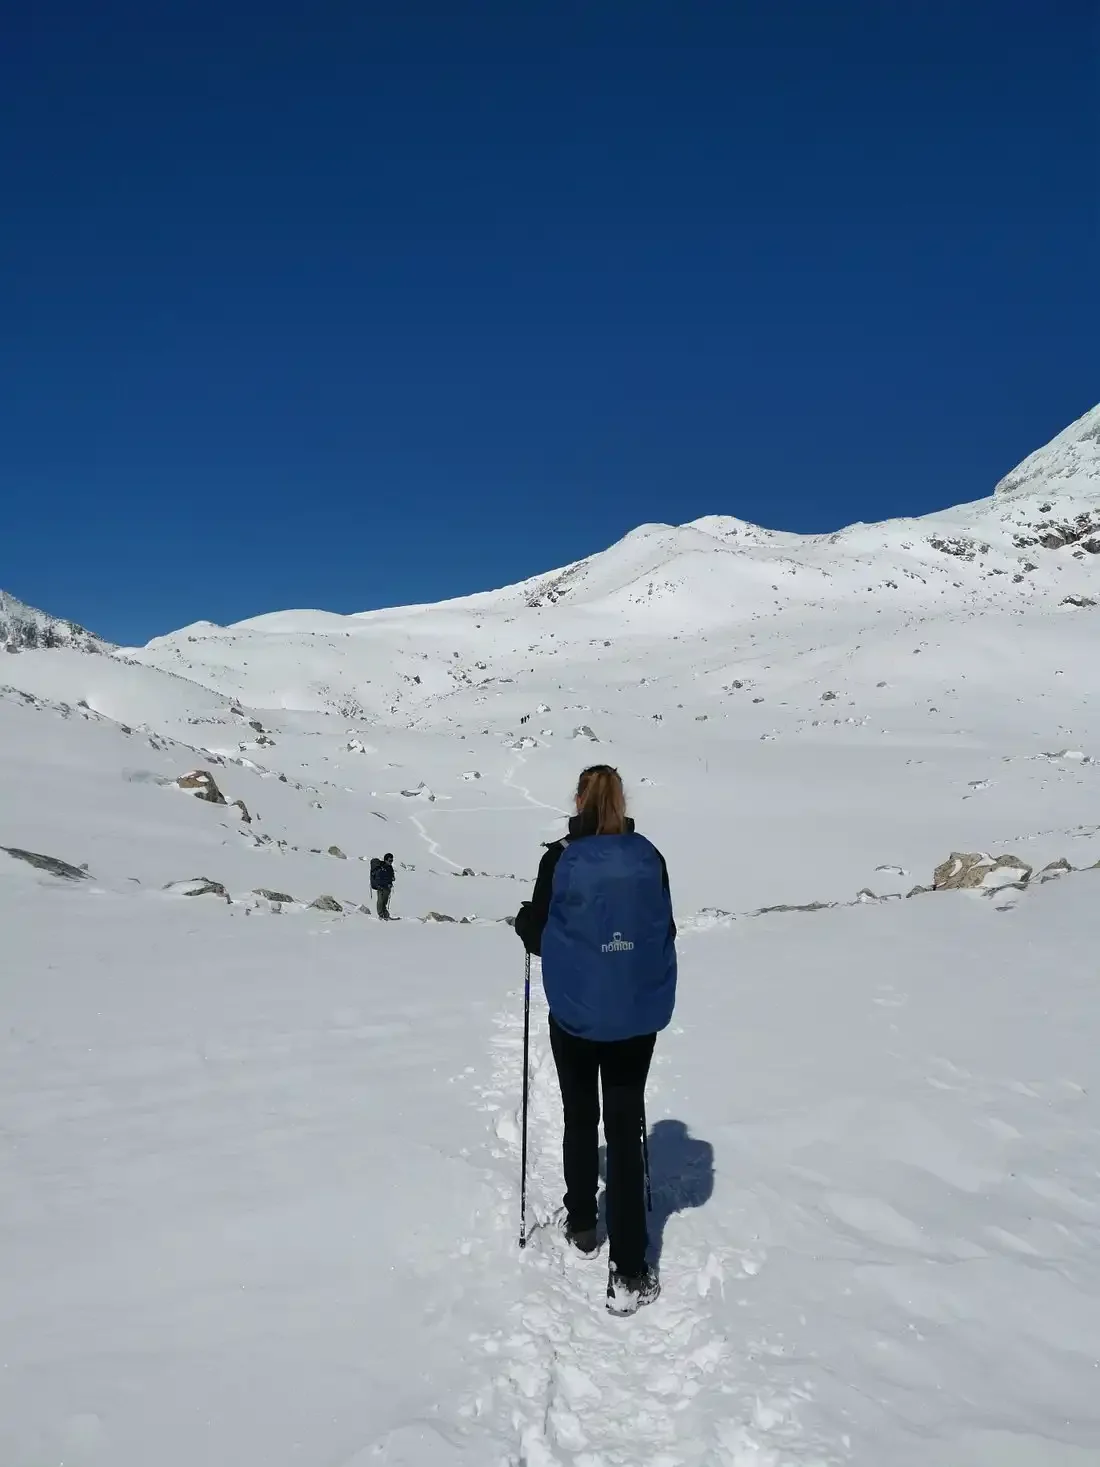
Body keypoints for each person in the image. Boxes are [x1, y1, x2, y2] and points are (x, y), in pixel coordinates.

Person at [514, 765, 676, 1316]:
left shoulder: (560, 858)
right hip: (635, 1018)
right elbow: (664, 930)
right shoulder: (648, 856)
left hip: (576, 1015)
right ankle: (629, 1271)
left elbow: (540, 936)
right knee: (625, 1129)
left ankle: (583, 1223)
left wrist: (523, 923)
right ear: (621, 801)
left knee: (580, 1114)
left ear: (578, 799)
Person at [370, 852, 396, 919]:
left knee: (384, 902)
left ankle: (385, 915)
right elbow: (379, 879)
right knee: (380, 902)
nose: (391, 862)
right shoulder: (380, 868)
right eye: (390, 860)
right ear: (385, 860)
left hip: (387, 888)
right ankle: (381, 915)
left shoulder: (390, 867)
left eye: (392, 860)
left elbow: (391, 876)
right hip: (381, 888)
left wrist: (392, 879)